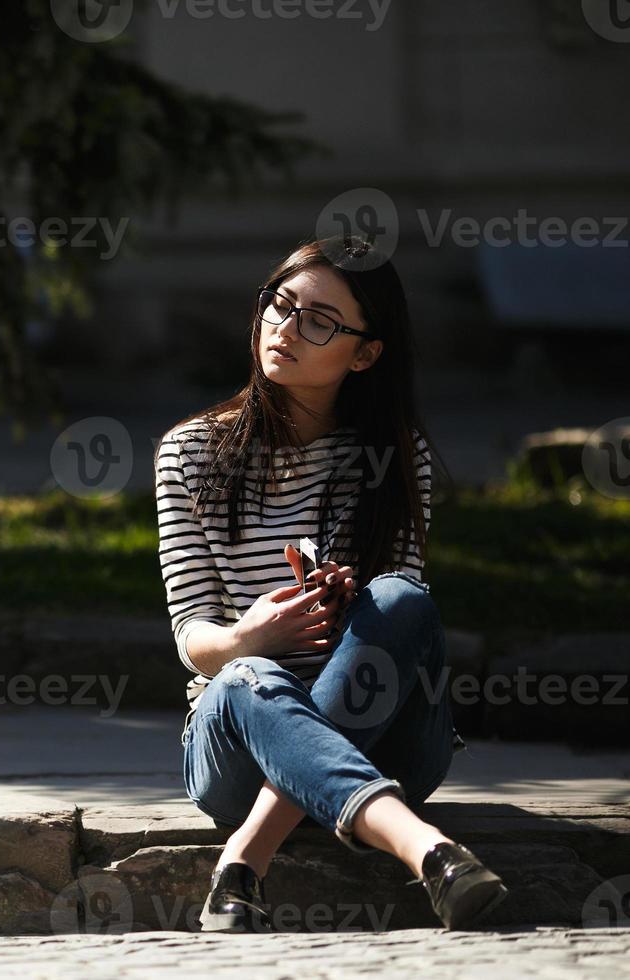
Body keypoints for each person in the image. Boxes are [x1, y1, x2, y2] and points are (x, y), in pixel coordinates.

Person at [152, 235, 507, 932]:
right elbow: (192, 635)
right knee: (247, 674)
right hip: (237, 750)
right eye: (278, 305)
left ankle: (246, 855)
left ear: (366, 352)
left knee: (400, 600)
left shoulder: (395, 461)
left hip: (388, 737)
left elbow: (396, 629)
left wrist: (350, 613)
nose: (285, 328)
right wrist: (249, 636)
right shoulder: (189, 453)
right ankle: (428, 850)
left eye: (319, 321)